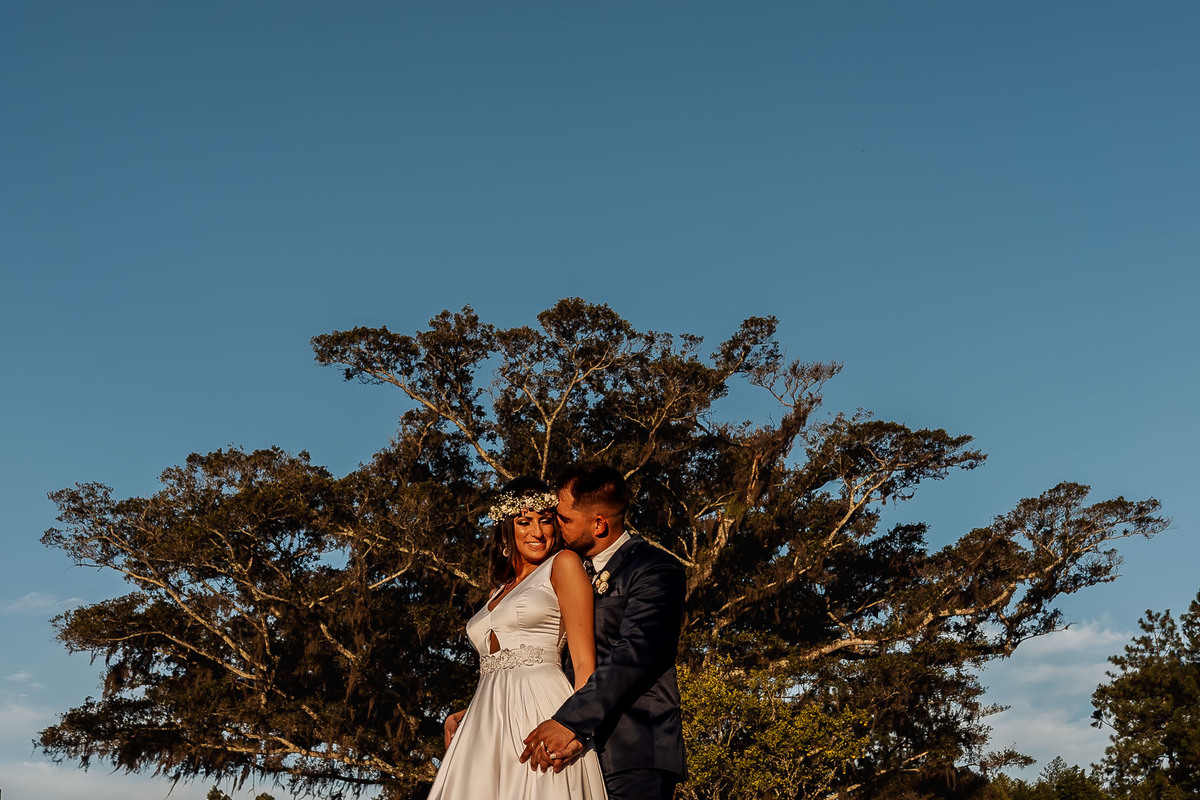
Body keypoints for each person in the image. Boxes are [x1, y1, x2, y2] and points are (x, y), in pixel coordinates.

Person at [427, 476, 608, 800]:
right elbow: (503, 666)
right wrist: (468, 713)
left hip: (541, 708)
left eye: (546, 521)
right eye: (524, 521)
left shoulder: (564, 565)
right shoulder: (498, 589)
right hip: (486, 722)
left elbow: (583, 662)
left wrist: (576, 727)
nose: (537, 532)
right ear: (507, 527)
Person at [521, 463, 687, 800]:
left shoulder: (654, 568)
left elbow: (634, 654)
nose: (556, 526)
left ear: (599, 524)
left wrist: (572, 722)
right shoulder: (564, 572)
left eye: (564, 519)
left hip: (633, 750)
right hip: (571, 753)